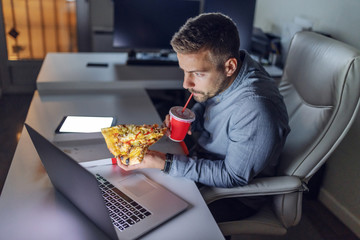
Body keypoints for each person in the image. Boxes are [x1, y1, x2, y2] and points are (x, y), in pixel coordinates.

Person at [118, 13, 290, 222]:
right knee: (133, 189)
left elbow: (233, 176)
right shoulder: (233, 67)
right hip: (203, 157)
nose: (185, 84)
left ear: (230, 67)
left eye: (197, 74)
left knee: (151, 215)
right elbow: (215, 103)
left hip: (231, 196)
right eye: (184, 71)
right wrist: (192, 118)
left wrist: (166, 163)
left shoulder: (256, 108)